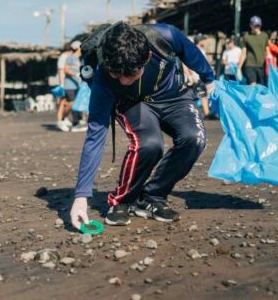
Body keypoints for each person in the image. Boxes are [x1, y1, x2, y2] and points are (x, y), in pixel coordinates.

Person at [69, 22, 215, 228]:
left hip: (173, 97)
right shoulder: (103, 79)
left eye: (130, 75)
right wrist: (81, 197)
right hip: (133, 103)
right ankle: (123, 201)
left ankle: (153, 196)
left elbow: (189, 51)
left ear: (146, 58)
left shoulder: (164, 36)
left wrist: (209, 79)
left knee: (194, 138)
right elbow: (95, 136)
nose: (123, 81)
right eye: (117, 76)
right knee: (149, 144)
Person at [239, 16, 270, 85]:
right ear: (251, 25)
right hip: (250, 65)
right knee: (253, 85)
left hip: (261, 65)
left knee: (261, 86)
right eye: (255, 26)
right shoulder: (246, 37)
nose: (257, 28)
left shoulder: (264, 36)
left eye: (258, 26)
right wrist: (239, 68)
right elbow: (243, 53)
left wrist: (269, 60)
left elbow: (267, 50)